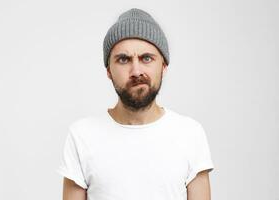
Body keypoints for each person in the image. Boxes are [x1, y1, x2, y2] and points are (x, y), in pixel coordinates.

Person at [57, 8, 214, 200]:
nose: (136, 71)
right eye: (123, 59)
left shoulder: (191, 134)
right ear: (108, 71)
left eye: (146, 58)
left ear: (163, 67)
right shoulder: (81, 136)